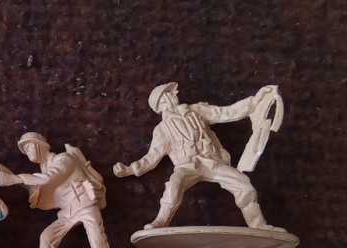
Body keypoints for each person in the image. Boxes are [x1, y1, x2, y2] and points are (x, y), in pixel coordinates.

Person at [114, 83, 280, 231]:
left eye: (172, 93)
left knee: (244, 185)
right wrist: (129, 169)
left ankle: (258, 225)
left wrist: (255, 101)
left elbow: (226, 112)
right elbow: (152, 157)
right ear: (161, 103)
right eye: (169, 94)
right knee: (174, 185)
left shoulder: (197, 111)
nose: (174, 95)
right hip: (187, 167)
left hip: (213, 162)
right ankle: (160, 222)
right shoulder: (162, 129)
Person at [0, 132, 112, 248]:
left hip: (84, 203)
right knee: (47, 237)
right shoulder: (44, 170)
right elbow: (44, 196)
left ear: (39, 145)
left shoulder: (63, 159)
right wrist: (23, 184)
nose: (27, 152)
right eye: (26, 150)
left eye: (29, 147)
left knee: (95, 231)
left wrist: (18, 178)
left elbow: (49, 178)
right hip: (67, 211)